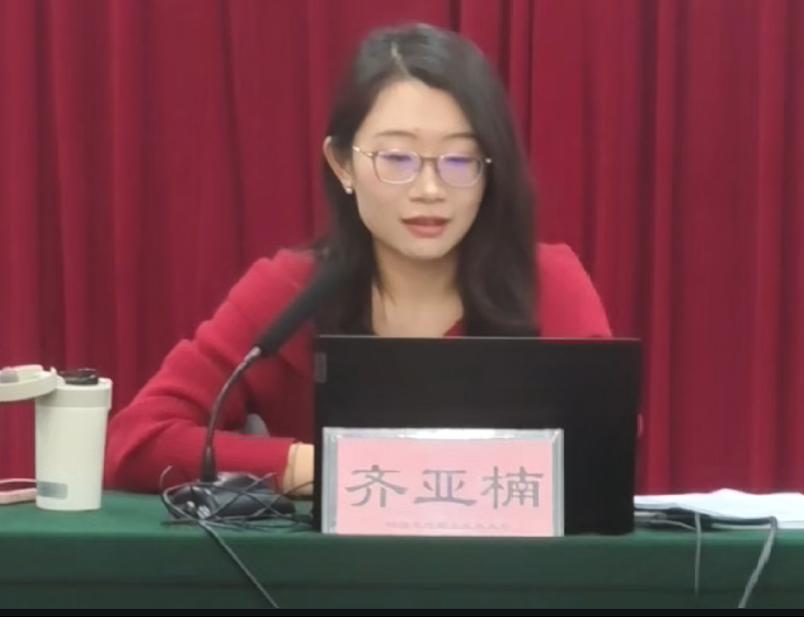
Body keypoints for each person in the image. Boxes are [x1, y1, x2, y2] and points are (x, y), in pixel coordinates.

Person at [104, 23, 611, 495]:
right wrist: (322, 467)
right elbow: (136, 441)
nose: (430, 189)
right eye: (397, 158)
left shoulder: (548, 283)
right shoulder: (292, 292)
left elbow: (604, 450)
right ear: (343, 164)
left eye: (460, 160)